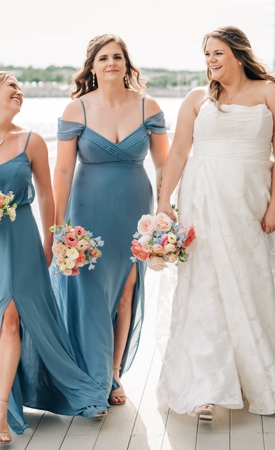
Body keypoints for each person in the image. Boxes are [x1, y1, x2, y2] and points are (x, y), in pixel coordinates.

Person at [0, 71, 108, 444]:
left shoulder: (32, 141)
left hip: (20, 240)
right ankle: (2, 394)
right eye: (12, 86)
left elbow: (47, 195)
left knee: (13, 317)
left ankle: (1, 410)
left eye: (21, 89)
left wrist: (52, 241)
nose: (20, 93)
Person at [155, 26, 275, 420]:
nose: (211, 61)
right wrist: (165, 200)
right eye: (206, 55)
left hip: (249, 199)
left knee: (249, 284)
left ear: (238, 54)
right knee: (203, 285)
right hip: (200, 198)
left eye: (217, 53)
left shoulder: (272, 92)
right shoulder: (197, 98)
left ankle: (253, 377)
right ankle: (205, 388)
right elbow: (180, 151)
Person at [51, 34, 169, 408]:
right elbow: (64, 169)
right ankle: (94, 377)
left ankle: (113, 374)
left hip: (136, 210)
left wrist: (165, 214)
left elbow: (165, 163)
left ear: (126, 63)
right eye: (103, 58)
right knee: (89, 295)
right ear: (92, 66)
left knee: (125, 293)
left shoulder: (148, 106)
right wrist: (58, 227)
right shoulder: (77, 110)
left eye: (118, 57)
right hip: (86, 211)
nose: (111, 63)